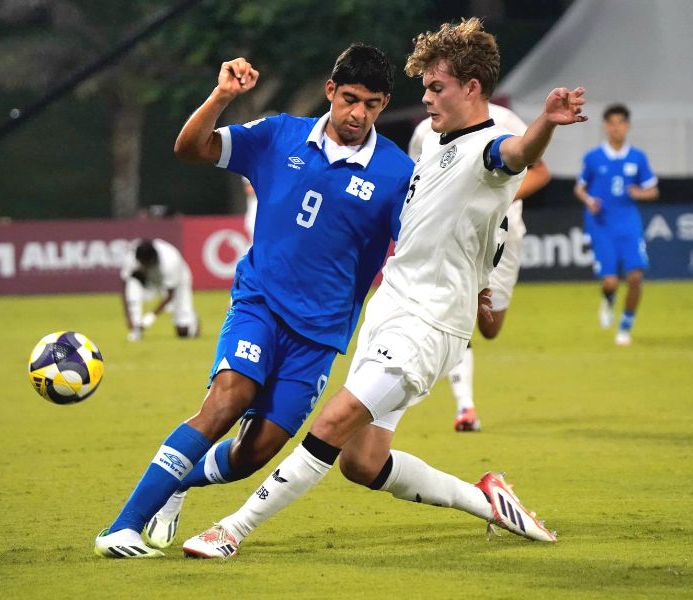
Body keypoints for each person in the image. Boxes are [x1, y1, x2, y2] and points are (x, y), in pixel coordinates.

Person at [182, 19, 587, 559]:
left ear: (472, 88)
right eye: (423, 88)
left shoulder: (488, 149)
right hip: (389, 309)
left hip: (428, 325)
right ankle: (486, 499)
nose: (426, 99)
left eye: (436, 88)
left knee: (331, 423)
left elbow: (515, 153)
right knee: (361, 462)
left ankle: (230, 530)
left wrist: (547, 124)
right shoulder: (438, 143)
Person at [94, 44, 414, 558]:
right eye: (350, 98)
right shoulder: (279, 134)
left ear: (384, 104)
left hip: (319, 335)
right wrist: (221, 95)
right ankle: (123, 526)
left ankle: (178, 484)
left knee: (251, 455)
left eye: (372, 104)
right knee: (228, 398)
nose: (358, 114)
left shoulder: (398, 174)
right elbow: (190, 148)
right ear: (330, 91)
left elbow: (415, 251)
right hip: (259, 303)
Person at [409, 105, 551, 431]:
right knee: (457, 312)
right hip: (454, 237)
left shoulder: (506, 121)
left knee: (489, 326)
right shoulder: (425, 131)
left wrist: (499, 197)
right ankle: (466, 408)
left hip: (504, 236)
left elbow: (541, 172)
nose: (432, 96)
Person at [573, 103, 658, 346]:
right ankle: (608, 300)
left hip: (628, 223)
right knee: (610, 281)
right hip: (600, 224)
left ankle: (625, 327)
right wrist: (589, 201)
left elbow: (652, 190)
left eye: (621, 123)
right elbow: (579, 188)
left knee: (634, 278)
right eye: (611, 123)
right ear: (605, 126)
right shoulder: (593, 157)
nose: (616, 128)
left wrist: (638, 193)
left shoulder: (637, 157)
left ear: (627, 126)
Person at [120, 238, 199, 341]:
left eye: (147, 265)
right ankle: (136, 328)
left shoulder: (171, 261)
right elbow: (125, 286)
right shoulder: (132, 257)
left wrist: (148, 320)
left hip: (178, 282)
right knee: (133, 282)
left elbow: (170, 295)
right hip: (149, 281)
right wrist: (129, 318)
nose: (145, 267)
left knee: (184, 332)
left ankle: (192, 318)